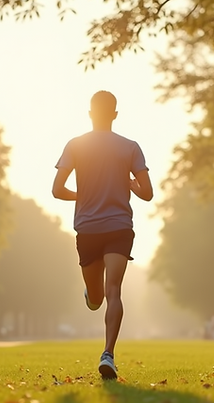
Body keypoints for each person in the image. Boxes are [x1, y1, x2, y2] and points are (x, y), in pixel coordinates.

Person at [52, 90, 153, 380]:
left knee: (107, 293)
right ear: (115, 115)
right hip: (117, 226)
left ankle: (108, 355)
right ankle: (106, 348)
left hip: (91, 227)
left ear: (90, 114)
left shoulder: (75, 145)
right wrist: (132, 185)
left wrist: (81, 196)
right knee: (104, 295)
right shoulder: (130, 147)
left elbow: (57, 190)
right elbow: (147, 193)